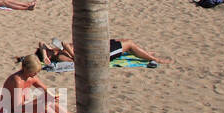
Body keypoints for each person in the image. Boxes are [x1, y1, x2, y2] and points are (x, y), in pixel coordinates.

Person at [2, 54, 75, 113]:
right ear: (25, 69)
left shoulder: (30, 76)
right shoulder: (17, 81)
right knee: (42, 106)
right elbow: (18, 108)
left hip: (18, 110)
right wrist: (40, 104)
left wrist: (52, 96)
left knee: (48, 100)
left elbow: (46, 90)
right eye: (33, 72)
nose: (35, 75)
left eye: (36, 72)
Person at [36, 38, 171, 65]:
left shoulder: (58, 51)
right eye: (48, 50)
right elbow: (78, 60)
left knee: (123, 41)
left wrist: (44, 53)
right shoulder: (61, 57)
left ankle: (145, 53)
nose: (49, 47)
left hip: (93, 45)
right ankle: (156, 59)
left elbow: (41, 43)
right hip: (98, 55)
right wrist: (67, 48)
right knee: (129, 44)